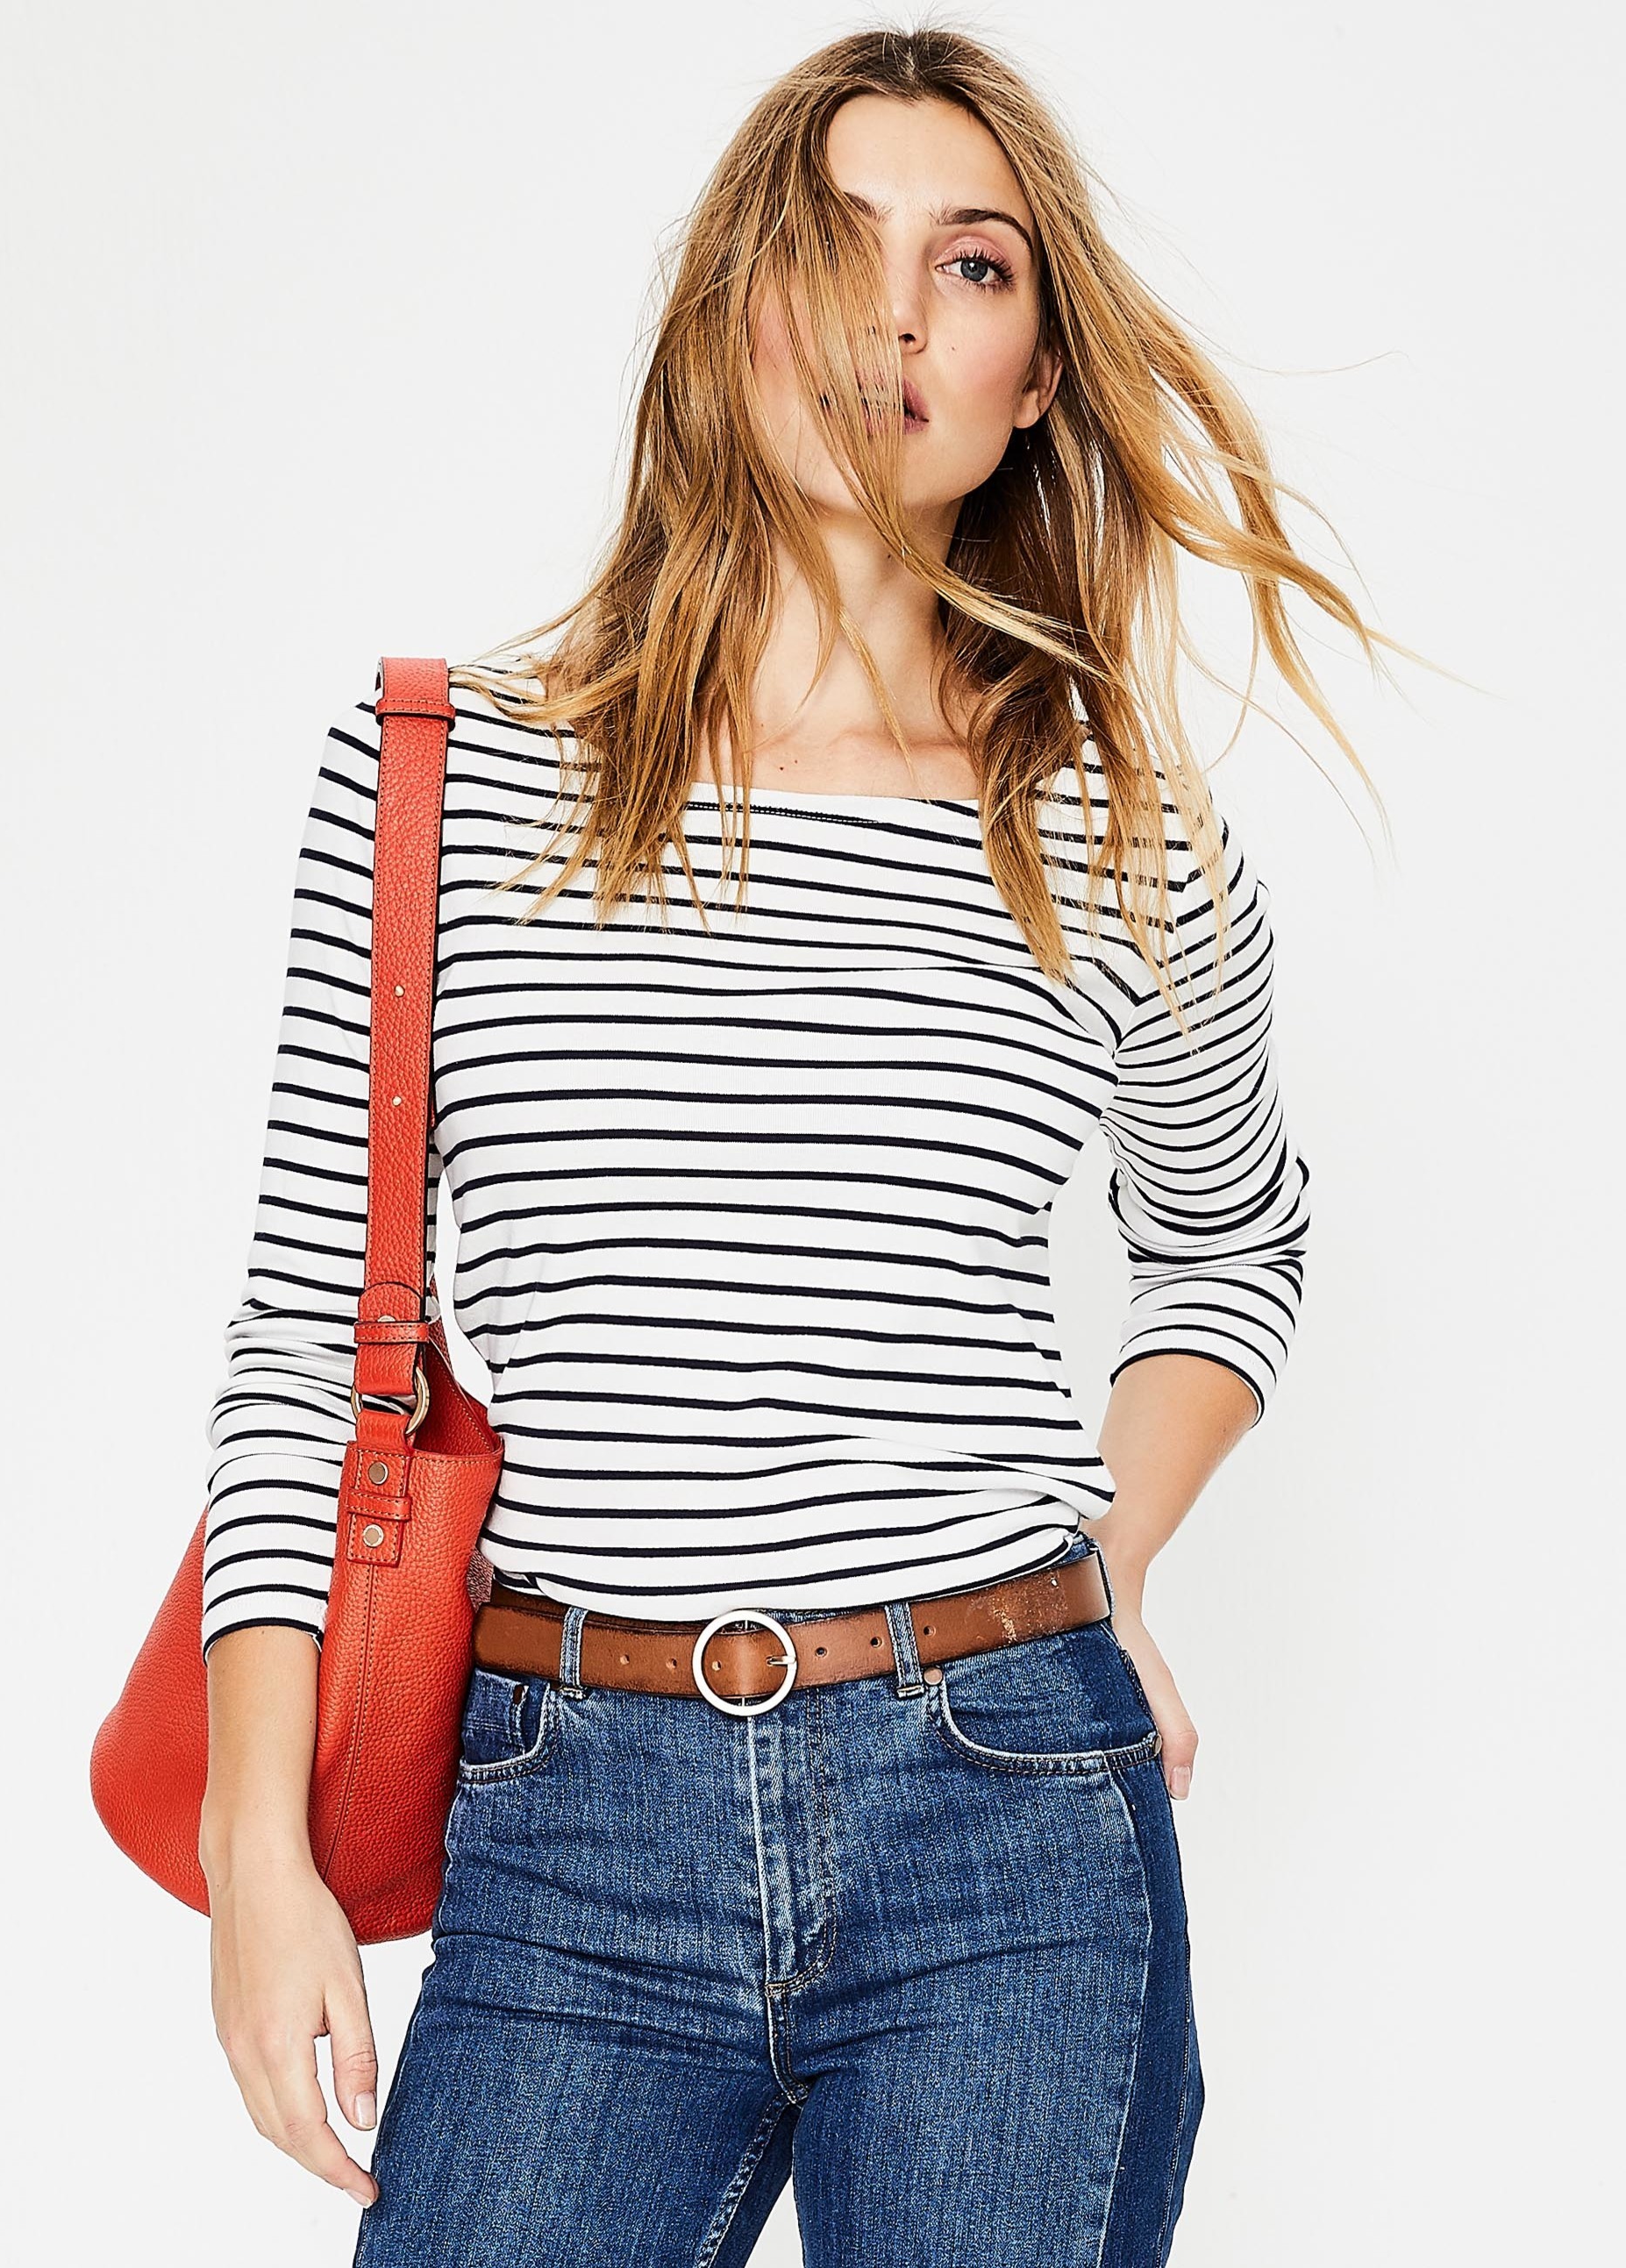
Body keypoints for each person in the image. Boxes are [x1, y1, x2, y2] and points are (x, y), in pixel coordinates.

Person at [196, 26, 1390, 2265]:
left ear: (1033, 382)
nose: (892, 320)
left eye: (971, 266)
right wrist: (257, 1856)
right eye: (836, 249)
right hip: (565, 1828)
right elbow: (301, 1342)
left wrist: (1110, 1564)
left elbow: (1230, 1247)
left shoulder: (1118, 831)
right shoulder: (443, 771)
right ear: (728, 303)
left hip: (1004, 1814)